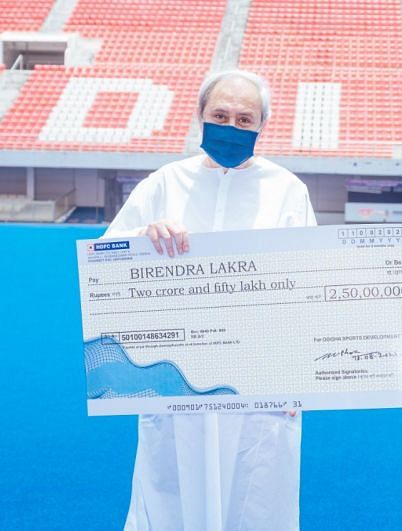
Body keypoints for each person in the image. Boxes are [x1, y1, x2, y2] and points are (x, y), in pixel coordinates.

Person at [103, 69, 316, 531]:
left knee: (256, 499)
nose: (232, 127)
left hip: (258, 387)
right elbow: (106, 268)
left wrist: (299, 378)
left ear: (263, 124)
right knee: (170, 497)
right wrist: (143, 238)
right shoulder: (163, 184)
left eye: (245, 119)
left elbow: (306, 292)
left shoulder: (287, 190)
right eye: (221, 115)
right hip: (175, 380)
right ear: (200, 115)